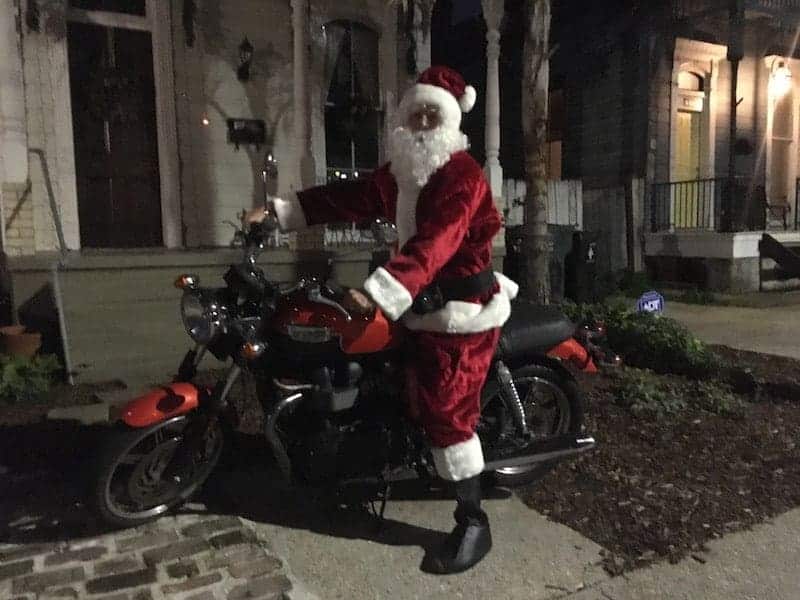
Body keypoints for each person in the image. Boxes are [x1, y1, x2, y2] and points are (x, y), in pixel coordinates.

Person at [248, 65, 518, 574]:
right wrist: (281, 213)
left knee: (446, 407)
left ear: (450, 121)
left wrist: (381, 291)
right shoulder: (404, 175)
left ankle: (472, 520)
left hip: (458, 313)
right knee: (374, 370)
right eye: (413, 111)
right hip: (417, 303)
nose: (420, 121)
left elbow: (435, 242)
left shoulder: (461, 176)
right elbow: (345, 197)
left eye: (430, 113)